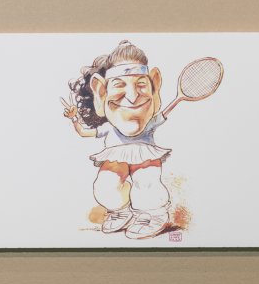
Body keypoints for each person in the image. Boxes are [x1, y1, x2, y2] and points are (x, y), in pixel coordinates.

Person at [62, 40, 183, 240]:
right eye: (119, 85)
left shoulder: (150, 123)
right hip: (116, 155)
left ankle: (154, 215)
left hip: (144, 153)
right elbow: (83, 132)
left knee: (146, 182)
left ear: (154, 87)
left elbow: (163, 114)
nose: (133, 97)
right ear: (101, 93)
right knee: (105, 185)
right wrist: (74, 118)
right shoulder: (109, 128)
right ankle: (121, 212)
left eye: (141, 84)